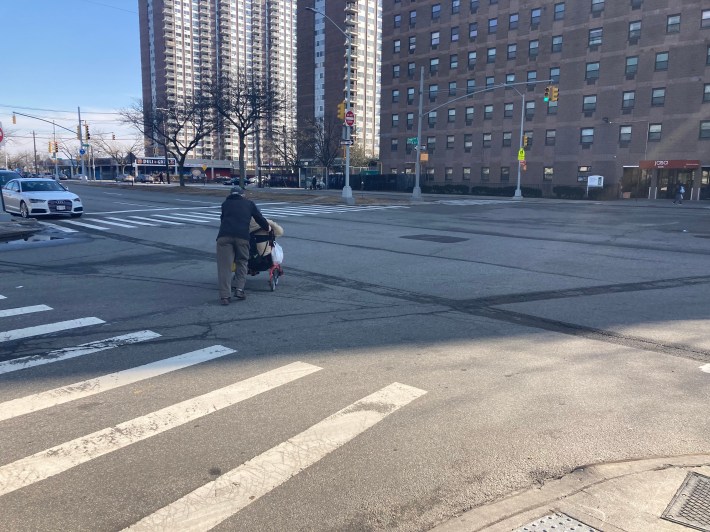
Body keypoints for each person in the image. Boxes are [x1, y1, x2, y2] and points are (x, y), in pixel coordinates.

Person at [216, 186, 270, 305]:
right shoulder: (249, 204)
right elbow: (259, 218)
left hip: (224, 237)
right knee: (242, 261)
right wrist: (268, 228)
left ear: (230, 194)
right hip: (242, 237)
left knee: (225, 266)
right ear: (242, 195)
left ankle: (225, 296)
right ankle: (239, 290)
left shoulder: (225, 204)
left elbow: (222, 219)